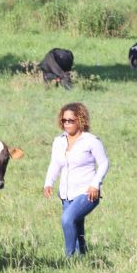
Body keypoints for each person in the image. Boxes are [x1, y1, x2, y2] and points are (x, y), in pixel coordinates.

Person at [43, 102, 110, 256]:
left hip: (87, 193)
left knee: (67, 219)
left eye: (71, 120)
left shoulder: (91, 141)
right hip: (66, 195)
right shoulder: (59, 141)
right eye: (64, 120)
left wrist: (95, 184)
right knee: (76, 226)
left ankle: (68, 258)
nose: (67, 124)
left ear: (80, 120)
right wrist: (49, 182)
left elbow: (104, 163)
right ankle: (82, 259)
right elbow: (55, 164)